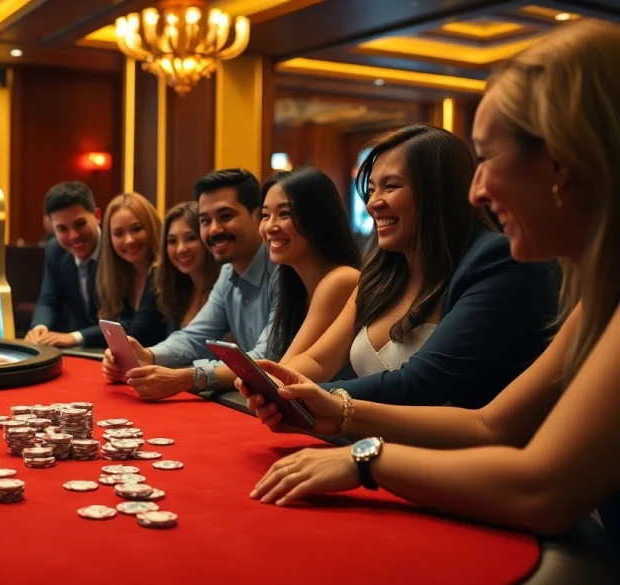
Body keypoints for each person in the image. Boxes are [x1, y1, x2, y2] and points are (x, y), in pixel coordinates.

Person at [238, 20, 620, 539]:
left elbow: (541, 489)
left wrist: (364, 460)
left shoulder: (502, 263)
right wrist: (335, 413)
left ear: (563, 160)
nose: (476, 191)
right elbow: (490, 422)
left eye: (485, 159)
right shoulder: (596, 296)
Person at [270, 125, 558, 408]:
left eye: (390, 186)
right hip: (372, 440)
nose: (373, 204)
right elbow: (318, 359)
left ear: (438, 192)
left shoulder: (497, 259)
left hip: (454, 451)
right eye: (371, 190)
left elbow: (420, 384)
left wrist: (316, 397)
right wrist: (271, 384)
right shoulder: (380, 275)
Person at [102, 169, 275, 399]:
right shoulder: (228, 272)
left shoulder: (284, 270)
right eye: (205, 221)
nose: (214, 229)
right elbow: (194, 337)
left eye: (225, 216)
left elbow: (267, 358)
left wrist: (188, 377)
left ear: (258, 218)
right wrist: (148, 355)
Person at [257, 167, 360, 362]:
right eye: (265, 215)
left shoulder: (341, 280)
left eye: (284, 214)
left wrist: (199, 376)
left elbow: (285, 372)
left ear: (318, 219)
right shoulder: (291, 283)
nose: (270, 226)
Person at [24, 181, 104, 348]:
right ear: (52, 228)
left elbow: (129, 322)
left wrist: (75, 337)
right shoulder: (55, 250)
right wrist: (40, 327)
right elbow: (48, 300)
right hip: (83, 352)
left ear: (97, 216)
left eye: (80, 224)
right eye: (62, 229)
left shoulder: (118, 248)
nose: (73, 236)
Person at [133, 201, 220, 336]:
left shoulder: (225, 289)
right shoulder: (176, 290)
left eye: (190, 238)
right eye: (172, 241)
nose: (181, 249)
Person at [96, 192, 167, 346]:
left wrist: (75, 337)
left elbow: (136, 335)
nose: (129, 240)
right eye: (118, 233)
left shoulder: (161, 272)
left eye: (136, 229)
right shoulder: (119, 277)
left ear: (151, 227)